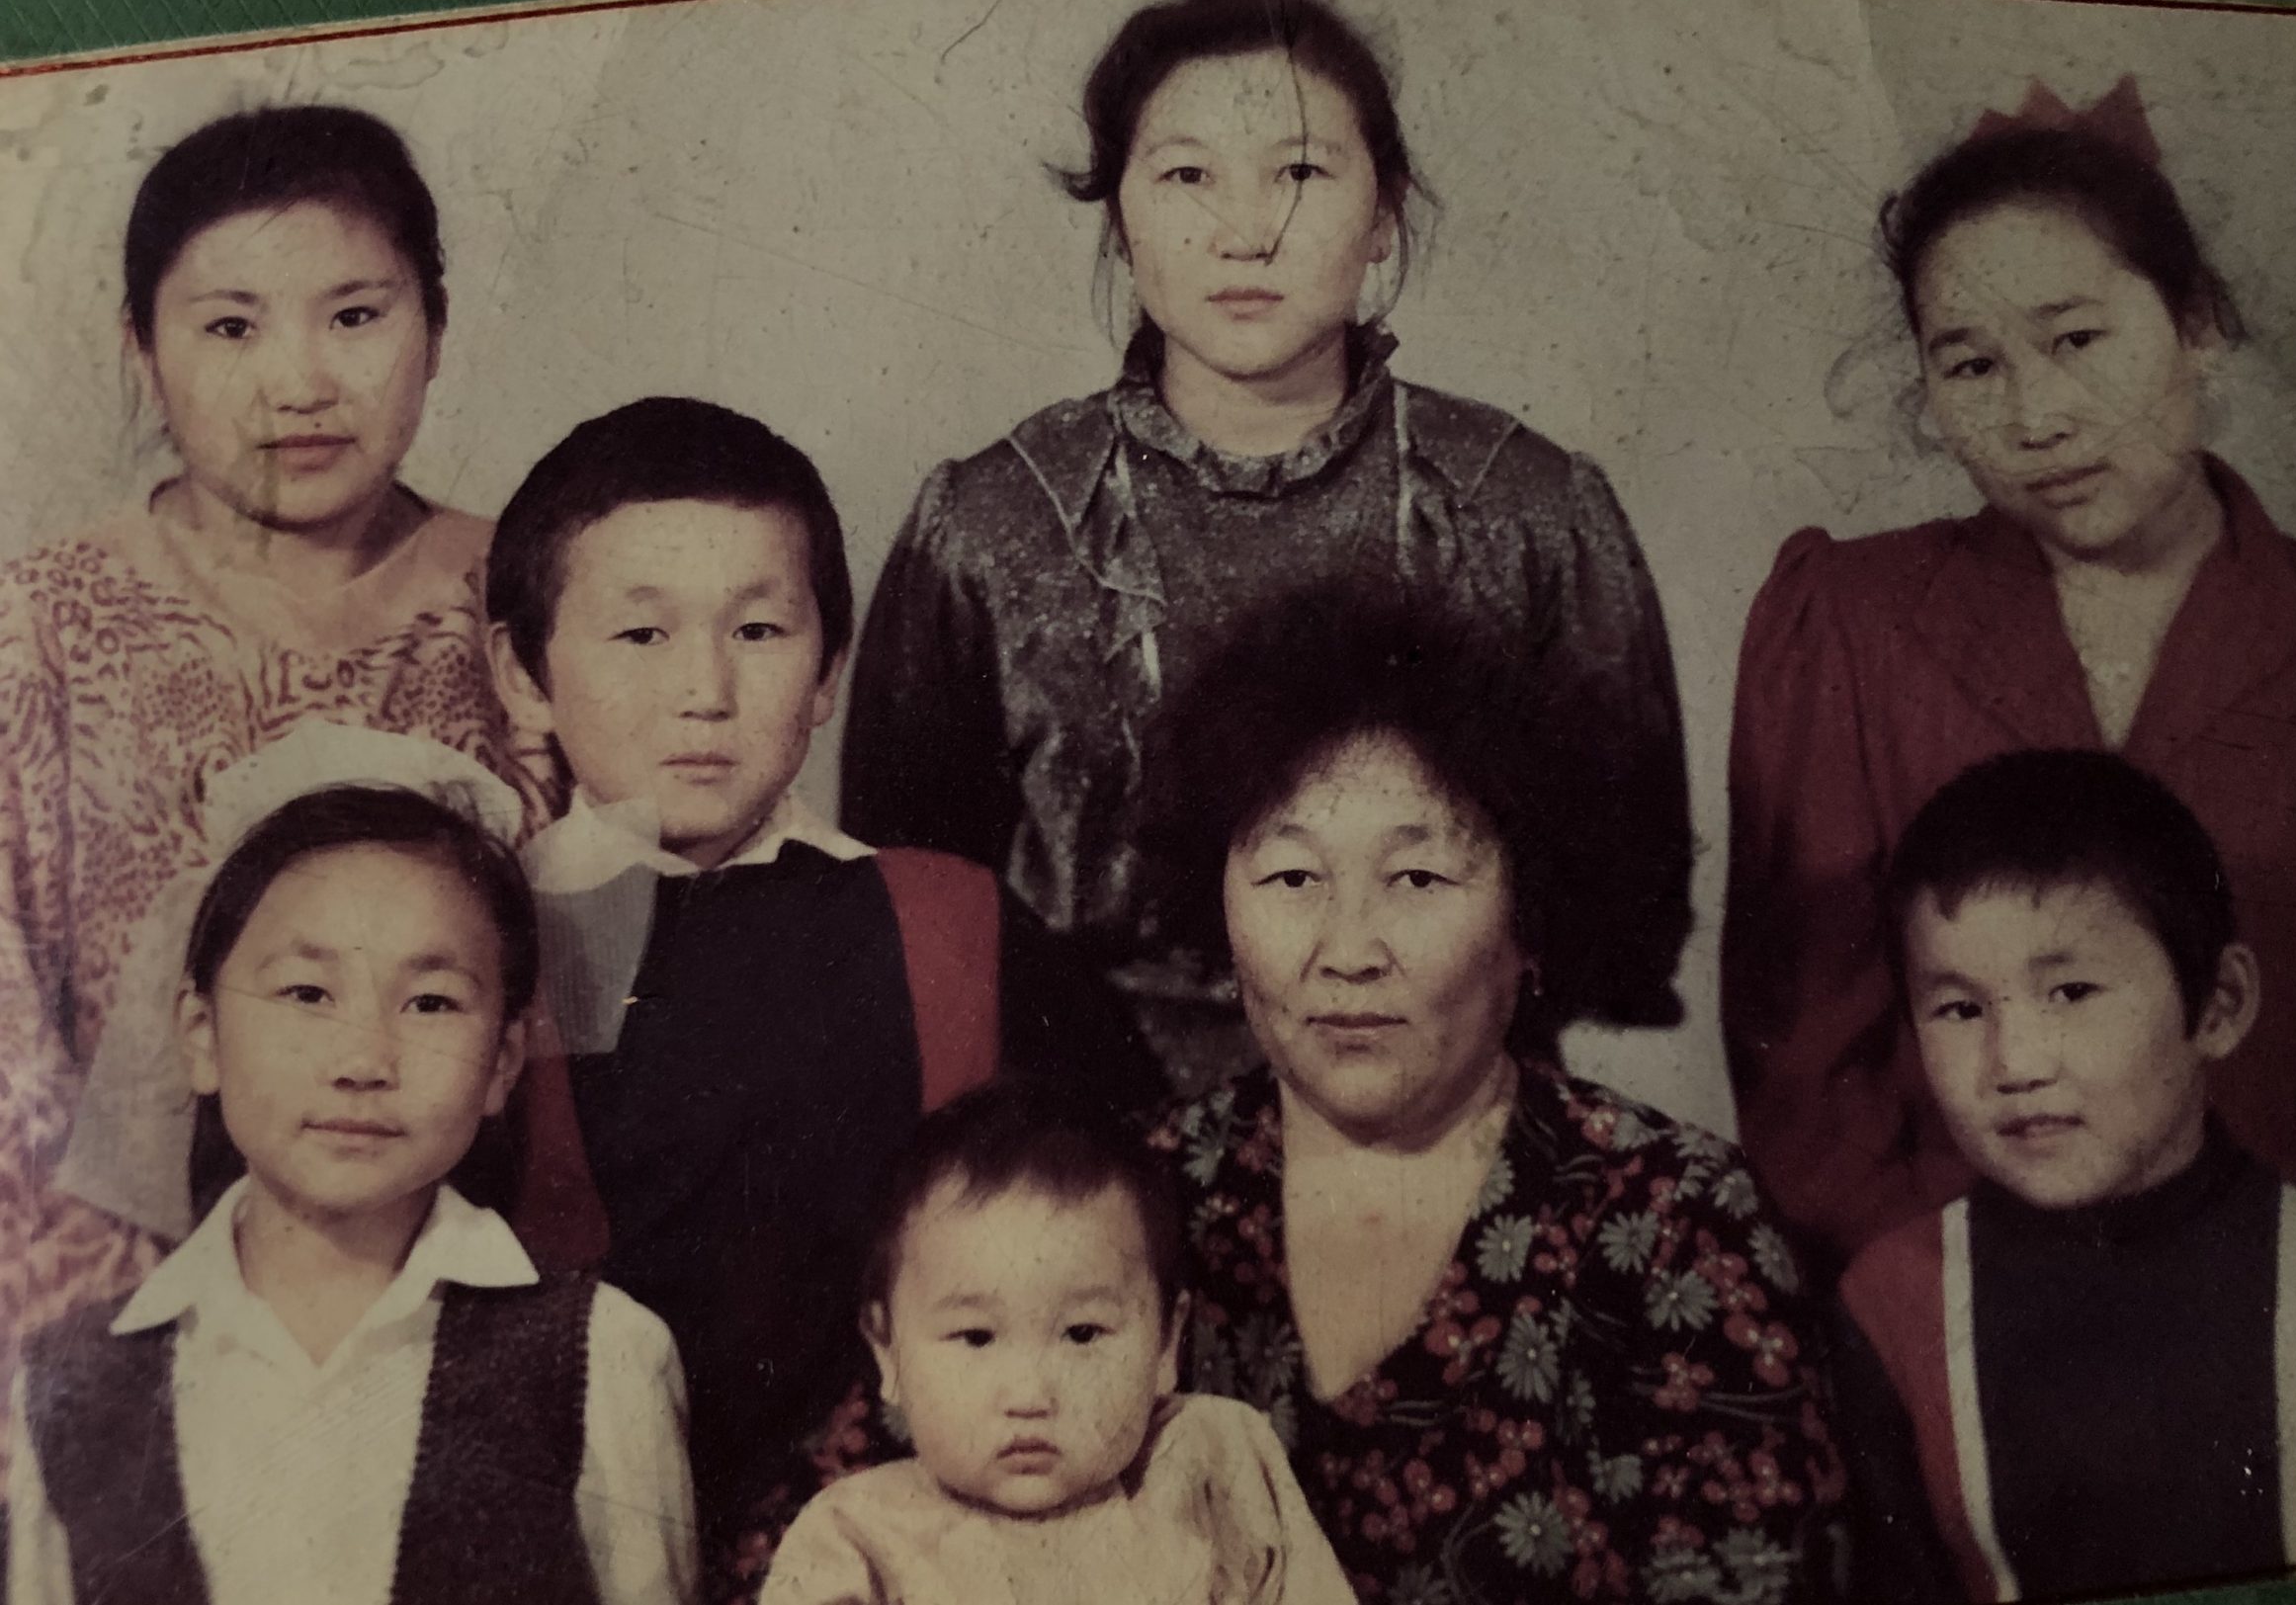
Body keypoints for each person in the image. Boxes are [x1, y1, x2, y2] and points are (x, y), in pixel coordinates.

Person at [839, 0, 1691, 1092]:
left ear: (1382, 215)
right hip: (1080, 1140)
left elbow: (1622, 905)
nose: (1245, 233)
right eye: (1187, 175)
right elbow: (910, 914)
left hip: (1443, 1119)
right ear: (1121, 220)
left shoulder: (1528, 509)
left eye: (1298, 172)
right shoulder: (989, 524)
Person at [1722, 79, 2296, 1272]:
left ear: (2194, 324)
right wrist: (1945, 1323)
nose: (2035, 416)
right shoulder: (1846, 625)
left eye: (2076, 340)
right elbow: (1806, 1072)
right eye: (1970, 365)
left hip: (2286, 1318)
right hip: (1946, 1323)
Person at [482, 395, 1149, 1569]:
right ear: (522, 672)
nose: (704, 689)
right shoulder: (480, 947)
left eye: (758, 630)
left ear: (830, 665)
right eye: (639, 635)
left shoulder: (951, 925)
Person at [0, 103, 544, 1501]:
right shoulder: (37, 628)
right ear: (141, 347)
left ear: (435, 325)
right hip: (109, 1351)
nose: (299, 382)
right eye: (231, 327)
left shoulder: (536, 599)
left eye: (355, 316)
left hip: (486, 1322)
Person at [1141, 591, 1839, 1603]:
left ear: (1529, 921)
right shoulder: (1141, 1194)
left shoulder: (1677, 1216)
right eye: (1292, 877)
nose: (1348, 951)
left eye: (1418, 878)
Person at [7, 779, 697, 1604]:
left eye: (431, 1002)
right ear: (201, 1034)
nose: (364, 1060)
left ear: (502, 1061)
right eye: (307, 993)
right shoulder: (72, 1379)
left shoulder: (606, 1354)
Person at [1833, 749, 2296, 1602]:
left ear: (2219, 1004)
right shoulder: (1895, 1307)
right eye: (1960, 1008)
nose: (2016, 1062)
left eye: (2071, 992)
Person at [761, 1081, 1351, 1605]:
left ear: (1166, 1343)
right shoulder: (856, 1541)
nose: (1030, 1396)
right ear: (887, 1351)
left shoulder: (1212, 1464)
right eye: (976, 1337)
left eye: (1082, 1333)